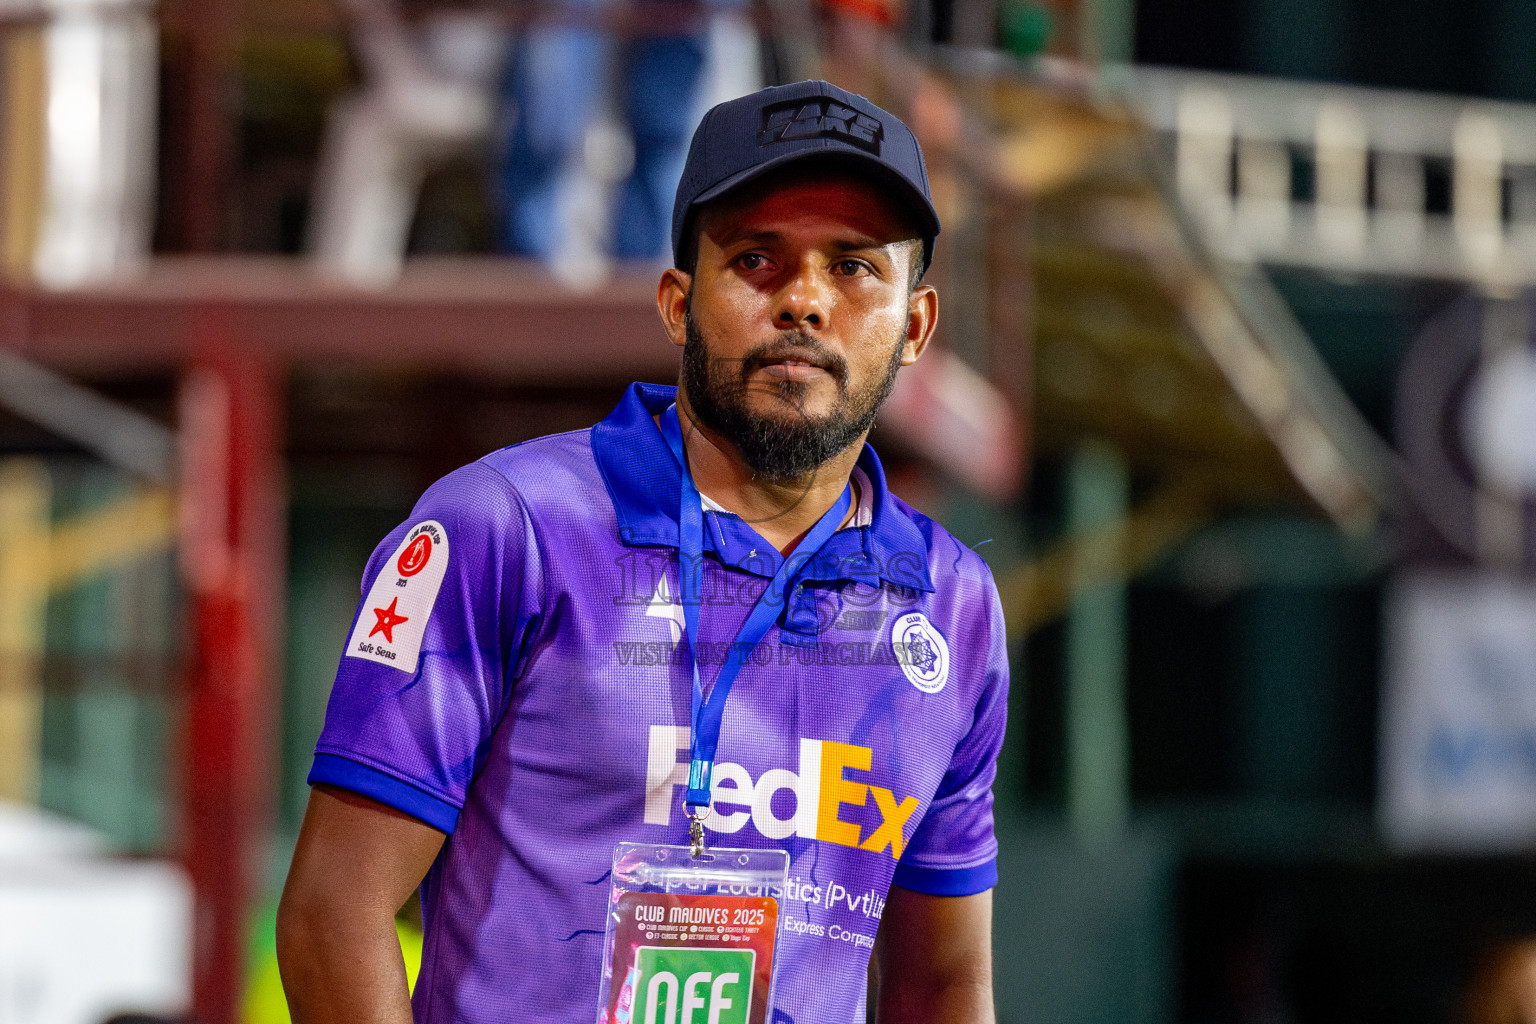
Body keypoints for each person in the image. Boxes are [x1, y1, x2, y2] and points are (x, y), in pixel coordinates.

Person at [276, 79, 1008, 1024]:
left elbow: (943, 984)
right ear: (676, 303)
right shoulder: (506, 529)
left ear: (914, 326)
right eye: (755, 258)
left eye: (856, 266)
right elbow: (335, 914)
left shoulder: (952, 606)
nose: (805, 302)